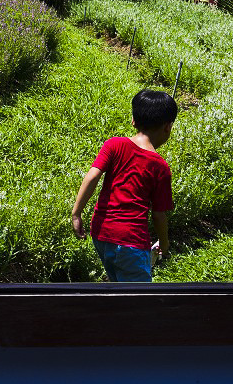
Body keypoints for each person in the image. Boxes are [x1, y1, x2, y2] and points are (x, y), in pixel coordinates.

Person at [71, 89, 177, 282]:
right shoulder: (160, 167)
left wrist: (76, 213)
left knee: (117, 284)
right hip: (131, 240)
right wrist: (164, 242)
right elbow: (158, 214)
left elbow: (92, 176)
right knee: (137, 300)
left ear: (133, 121)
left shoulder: (113, 144)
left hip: (101, 234)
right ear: (168, 127)